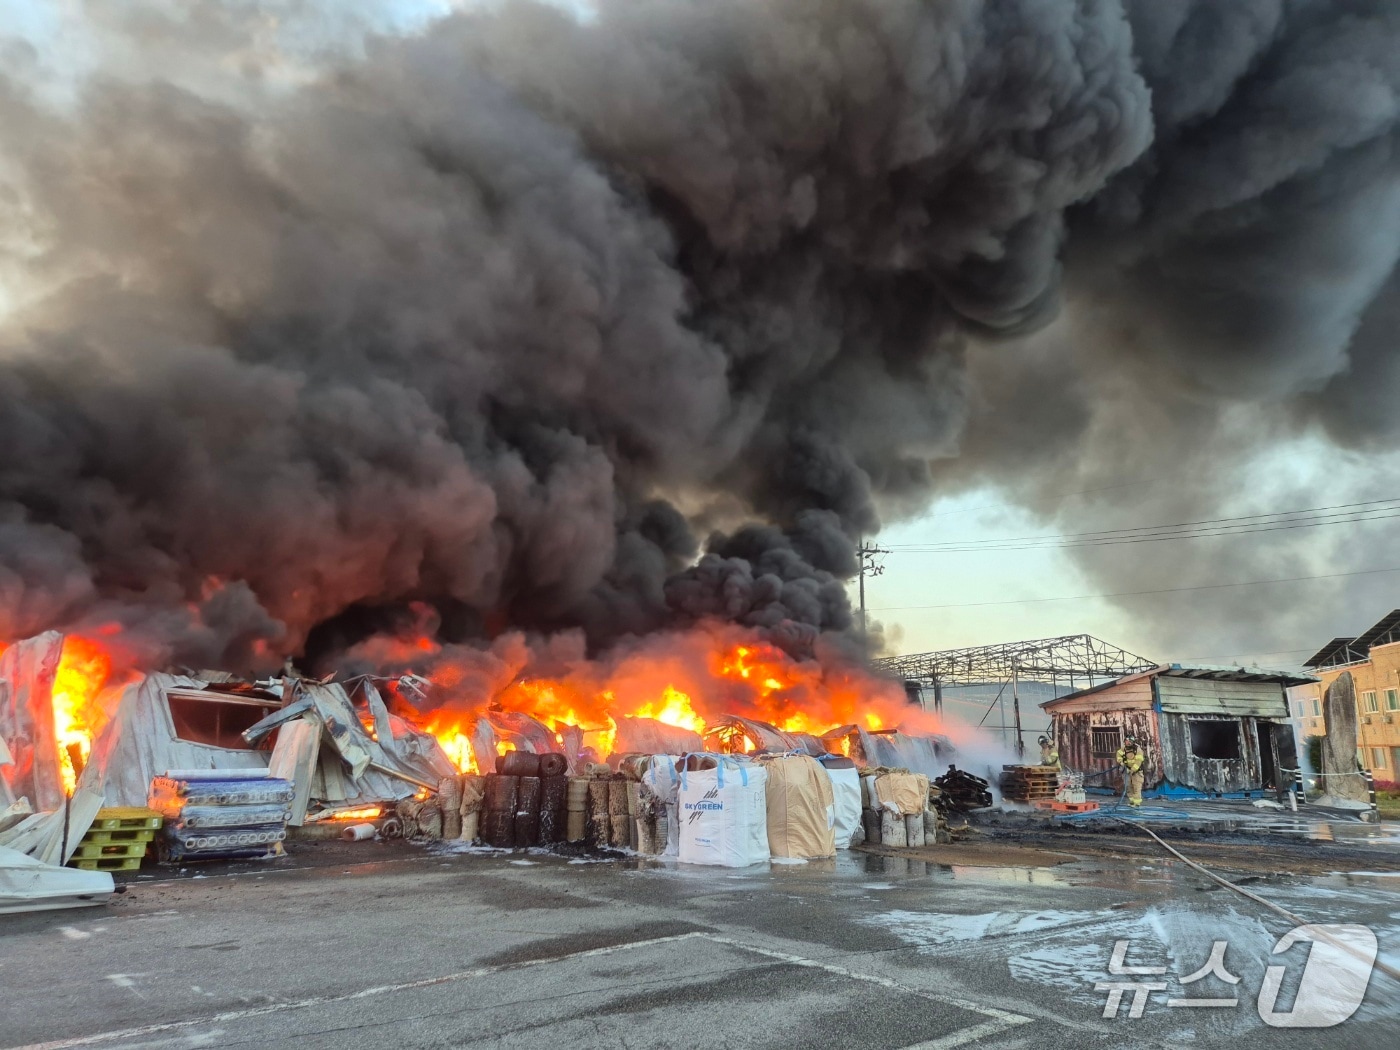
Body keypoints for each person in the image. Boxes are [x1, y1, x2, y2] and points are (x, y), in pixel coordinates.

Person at [1115, 738, 1146, 806]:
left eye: (1129, 741)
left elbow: (1138, 761)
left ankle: (1137, 803)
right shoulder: (1123, 749)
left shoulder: (1138, 750)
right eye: (1126, 741)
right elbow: (1118, 754)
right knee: (1128, 786)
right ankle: (1132, 802)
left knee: (1136, 787)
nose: (1128, 743)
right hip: (1127, 771)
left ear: (1132, 742)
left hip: (1137, 772)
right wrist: (1121, 762)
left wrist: (1132, 770)